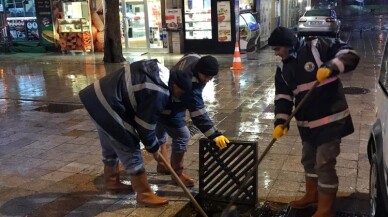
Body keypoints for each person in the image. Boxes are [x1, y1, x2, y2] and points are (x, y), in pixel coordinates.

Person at [269, 27, 360, 217]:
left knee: (324, 163)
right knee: (308, 161)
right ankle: (312, 195)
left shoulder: (316, 47)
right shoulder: (283, 68)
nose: (276, 53)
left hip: (330, 120)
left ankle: (326, 210)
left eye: (277, 49)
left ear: (287, 44)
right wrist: (280, 122)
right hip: (307, 125)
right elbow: (283, 98)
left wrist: (332, 66)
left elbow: (350, 54)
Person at [79, 59, 193, 206]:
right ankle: (144, 194)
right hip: (108, 103)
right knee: (129, 144)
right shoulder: (159, 91)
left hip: (94, 97)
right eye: (180, 93)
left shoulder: (157, 72)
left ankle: (112, 182)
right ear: (175, 85)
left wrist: (154, 147)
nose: (179, 96)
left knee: (111, 142)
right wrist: (154, 148)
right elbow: (144, 126)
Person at [155, 54, 230, 187]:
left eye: (211, 78)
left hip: (160, 100)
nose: (207, 81)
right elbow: (198, 114)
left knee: (160, 130)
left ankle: (163, 164)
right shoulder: (192, 86)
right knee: (182, 136)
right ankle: (177, 175)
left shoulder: (193, 58)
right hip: (170, 106)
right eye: (206, 77)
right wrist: (214, 134)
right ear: (199, 71)